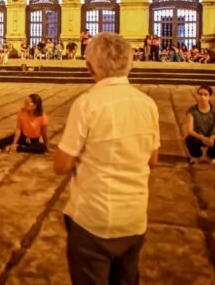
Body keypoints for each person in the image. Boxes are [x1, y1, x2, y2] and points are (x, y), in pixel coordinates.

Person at [54, 32, 160, 285]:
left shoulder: (88, 103)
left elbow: (62, 165)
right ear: (129, 64)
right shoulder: (147, 104)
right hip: (134, 218)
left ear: (89, 67)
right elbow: (152, 160)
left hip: (94, 219)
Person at [185, 86, 215, 166]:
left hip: (211, 137)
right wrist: (202, 137)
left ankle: (212, 156)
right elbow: (190, 130)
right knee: (189, 139)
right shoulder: (192, 111)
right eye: (200, 94)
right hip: (198, 137)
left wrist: (212, 137)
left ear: (210, 97)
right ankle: (195, 156)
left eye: (205, 95)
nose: (202, 97)